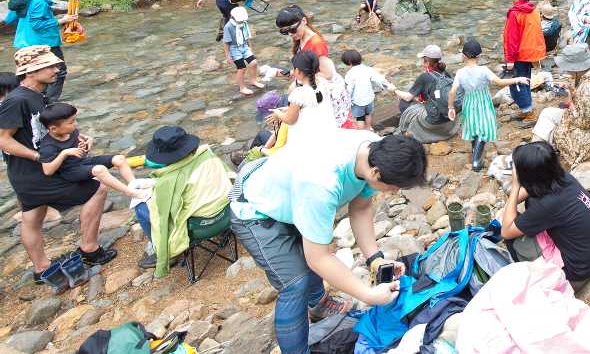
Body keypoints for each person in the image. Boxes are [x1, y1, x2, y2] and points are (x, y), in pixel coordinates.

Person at [230, 131, 427, 354]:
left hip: (290, 189)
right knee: (296, 282)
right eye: (395, 187)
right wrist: (367, 295)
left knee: (311, 245)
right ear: (375, 173)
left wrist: (375, 259)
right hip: (254, 204)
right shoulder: (322, 184)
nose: (396, 191)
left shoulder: (376, 151)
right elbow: (318, 258)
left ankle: (319, 305)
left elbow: (361, 207)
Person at [0, 47, 115, 281]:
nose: (56, 69)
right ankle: (89, 249)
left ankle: (42, 270)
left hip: (33, 172)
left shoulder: (38, 95)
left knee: (33, 215)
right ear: (30, 71)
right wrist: (40, 157)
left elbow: (48, 129)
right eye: (49, 66)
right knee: (98, 187)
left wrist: (75, 137)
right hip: (33, 172)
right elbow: (3, 140)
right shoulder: (17, 100)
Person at [500, 141, 590, 290]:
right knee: (529, 204)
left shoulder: (547, 204)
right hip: (588, 262)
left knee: (513, 238)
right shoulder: (563, 178)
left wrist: (516, 185)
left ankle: (535, 279)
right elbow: (529, 191)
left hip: (573, 274)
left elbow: (506, 231)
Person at [134, 126, 233, 276]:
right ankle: (223, 233)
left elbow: (164, 217)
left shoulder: (169, 180)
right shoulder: (208, 156)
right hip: (226, 215)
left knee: (140, 206)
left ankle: (166, 255)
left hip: (199, 228)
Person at [531, 44, 590, 167]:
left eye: (568, 68)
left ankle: (532, 157)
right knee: (547, 113)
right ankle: (533, 151)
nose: (567, 71)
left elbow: (583, 124)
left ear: (576, 67)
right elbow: (589, 108)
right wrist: (572, 90)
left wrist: (569, 103)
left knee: (553, 132)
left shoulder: (589, 89)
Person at [450, 38, 529, 171]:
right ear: (479, 56)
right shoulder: (484, 70)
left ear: (463, 56)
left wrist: (450, 107)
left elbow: (452, 91)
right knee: (483, 128)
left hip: (468, 102)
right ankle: (476, 161)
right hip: (483, 102)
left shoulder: (460, 72)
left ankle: (475, 151)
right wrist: (517, 79)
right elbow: (499, 82)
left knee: (473, 127)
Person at [37, 102, 144, 200]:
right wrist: (64, 153)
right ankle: (129, 192)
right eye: (71, 122)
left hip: (83, 162)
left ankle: (134, 185)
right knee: (100, 170)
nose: (76, 124)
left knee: (119, 159)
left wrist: (88, 142)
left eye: (75, 120)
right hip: (70, 171)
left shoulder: (70, 131)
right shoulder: (48, 146)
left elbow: (82, 146)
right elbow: (48, 171)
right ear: (53, 129)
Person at [2, 0, 76, 101]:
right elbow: (37, 24)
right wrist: (61, 20)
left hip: (25, 42)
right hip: (43, 43)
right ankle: (48, 102)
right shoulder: (40, 2)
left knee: (31, 73)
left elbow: (9, 19)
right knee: (58, 71)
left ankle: (29, 99)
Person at [392, 44, 461, 142]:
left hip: (434, 121)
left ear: (427, 62)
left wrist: (394, 90)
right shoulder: (445, 73)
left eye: (423, 60)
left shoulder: (424, 77)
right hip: (450, 119)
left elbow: (408, 97)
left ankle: (412, 131)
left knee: (404, 102)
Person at [502, 0, 547, 124]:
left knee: (516, 84)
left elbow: (512, 38)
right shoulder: (533, 10)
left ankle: (529, 112)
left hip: (519, 54)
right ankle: (526, 109)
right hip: (531, 53)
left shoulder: (515, 13)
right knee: (525, 81)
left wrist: (510, 59)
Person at [276, 5, 333, 79]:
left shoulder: (316, 44)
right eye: (285, 31)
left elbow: (327, 75)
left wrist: (300, 78)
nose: (290, 34)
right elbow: (302, 71)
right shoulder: (299, 37)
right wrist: (277, 73)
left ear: (304, 21)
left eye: (292, 30)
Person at [341, 50, 391, 131]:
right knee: (368, 114)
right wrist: (387, 85)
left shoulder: (350, 74)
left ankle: (361, 133)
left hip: (357, 101)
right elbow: (379, 79)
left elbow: (349, 89)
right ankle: (368, 129)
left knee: (359, 118)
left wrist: (346, 102)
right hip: (369, 99)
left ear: (349, 62)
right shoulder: (368, 69)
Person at [222, 5, 263, 96]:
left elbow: (247, 36)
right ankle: (242, 87)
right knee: (242, 68)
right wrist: (228, 55)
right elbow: (226, 42)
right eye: (240, 19)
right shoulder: (228, 27)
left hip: (244, 46)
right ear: (233, 17)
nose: (242, 21)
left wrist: (250, 47)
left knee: (254, 63)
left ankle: (253, 80)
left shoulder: (244, 23)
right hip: (234, 48)